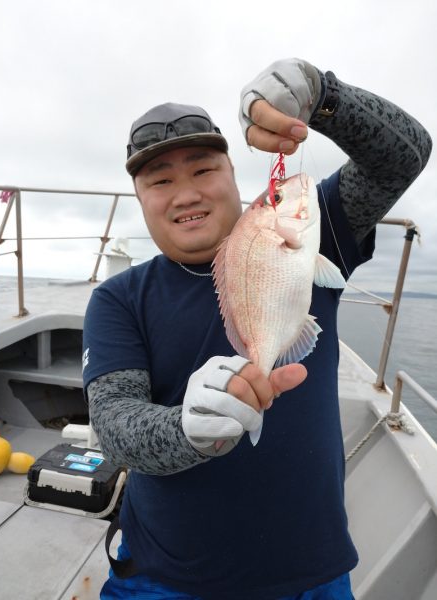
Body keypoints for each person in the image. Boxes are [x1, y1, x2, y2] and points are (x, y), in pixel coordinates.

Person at [82, 58, 432, 600]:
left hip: (310, 574)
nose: (186, 194)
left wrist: (323, 97)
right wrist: (189, 431)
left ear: (231, 174)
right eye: (161, 180)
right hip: (160, 578)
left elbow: (402, 156)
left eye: (203, 170)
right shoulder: (117, 299)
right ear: (141, 198)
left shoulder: (309, 232)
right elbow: (114, 426)